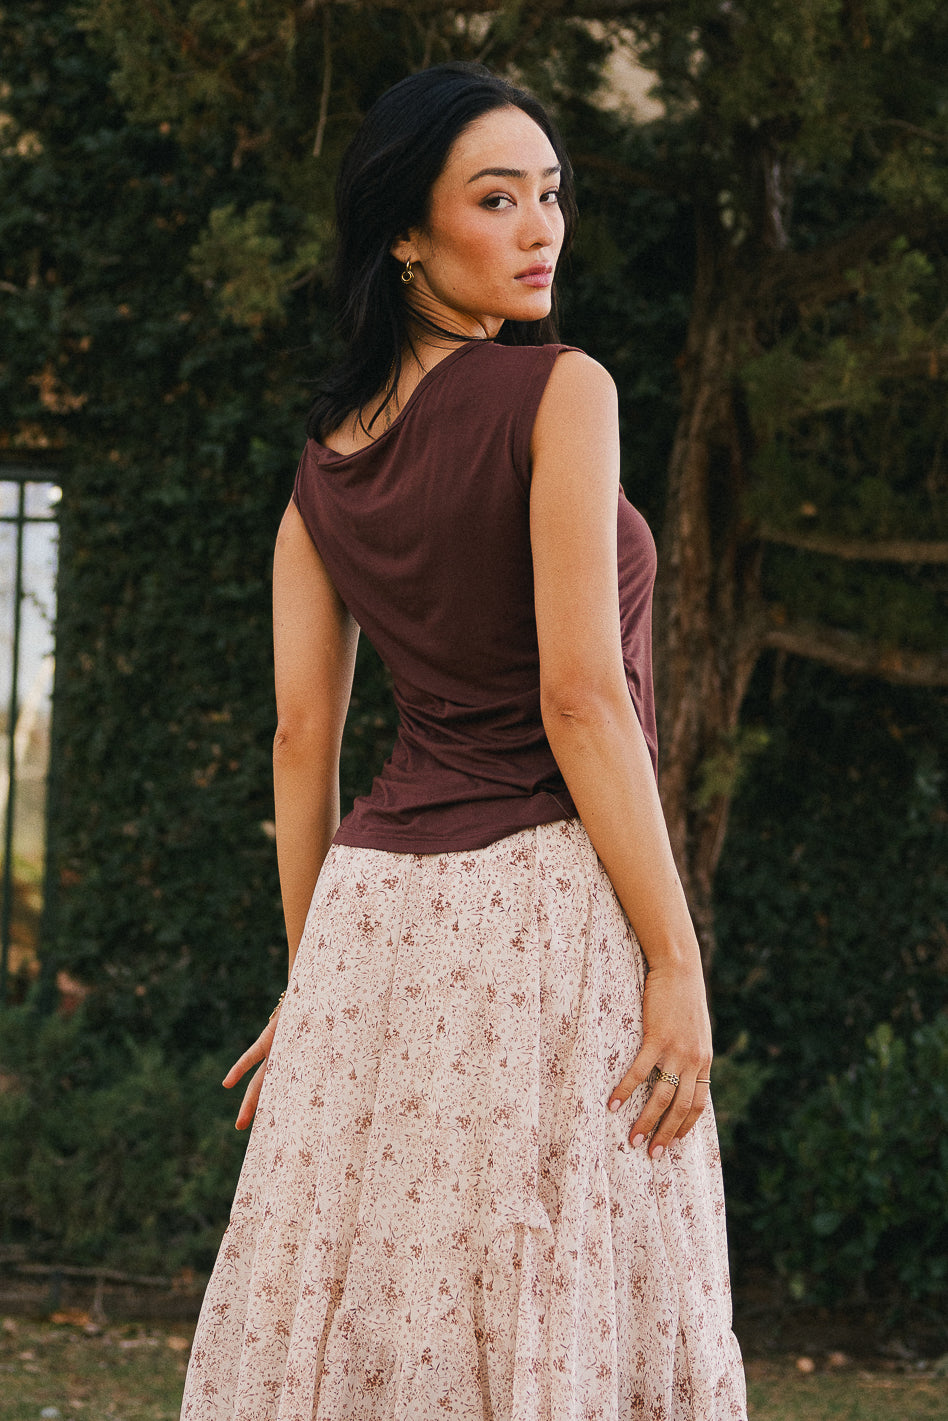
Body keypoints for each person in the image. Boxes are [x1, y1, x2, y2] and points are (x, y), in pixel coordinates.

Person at [180, 61, 747, 1421]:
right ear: (404, 233)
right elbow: (581, 698)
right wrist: (676, 961)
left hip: (374, 924)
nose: (542, 228)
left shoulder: (322, 466)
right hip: (541, 908)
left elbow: (300, 738)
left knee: (387, 1305)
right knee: (548, 1284)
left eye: (550, 194)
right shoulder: (562, 390)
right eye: (497, 200)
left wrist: (311, 980)